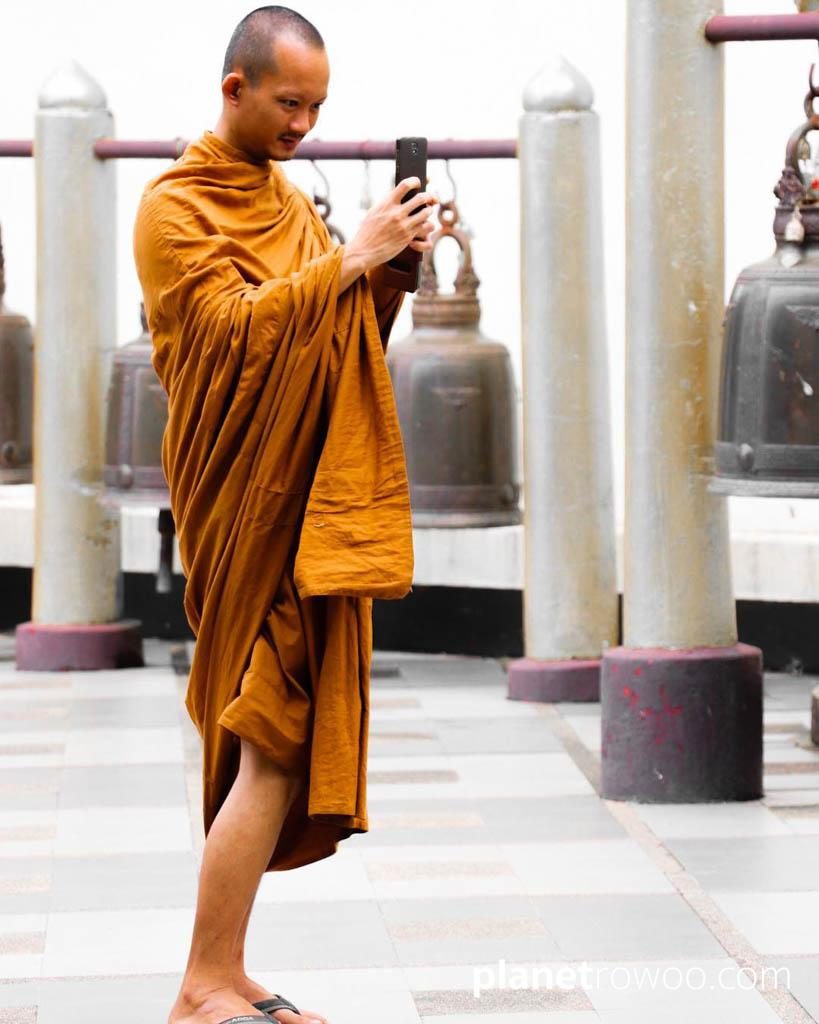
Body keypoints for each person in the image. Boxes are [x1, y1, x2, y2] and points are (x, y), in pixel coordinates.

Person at [133, 7, 437, 1024]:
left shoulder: (289, 204)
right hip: (242, 507)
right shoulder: (173, 207)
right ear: (234, 91)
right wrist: (347, 263)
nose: (304, 123)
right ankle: (201, 981)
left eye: (317, 107)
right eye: (289, 102)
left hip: (306, 507)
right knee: (269, 730)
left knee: (275, 733)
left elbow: (333, 340)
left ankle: (224, 968)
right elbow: (224, 338)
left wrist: (386, 272)